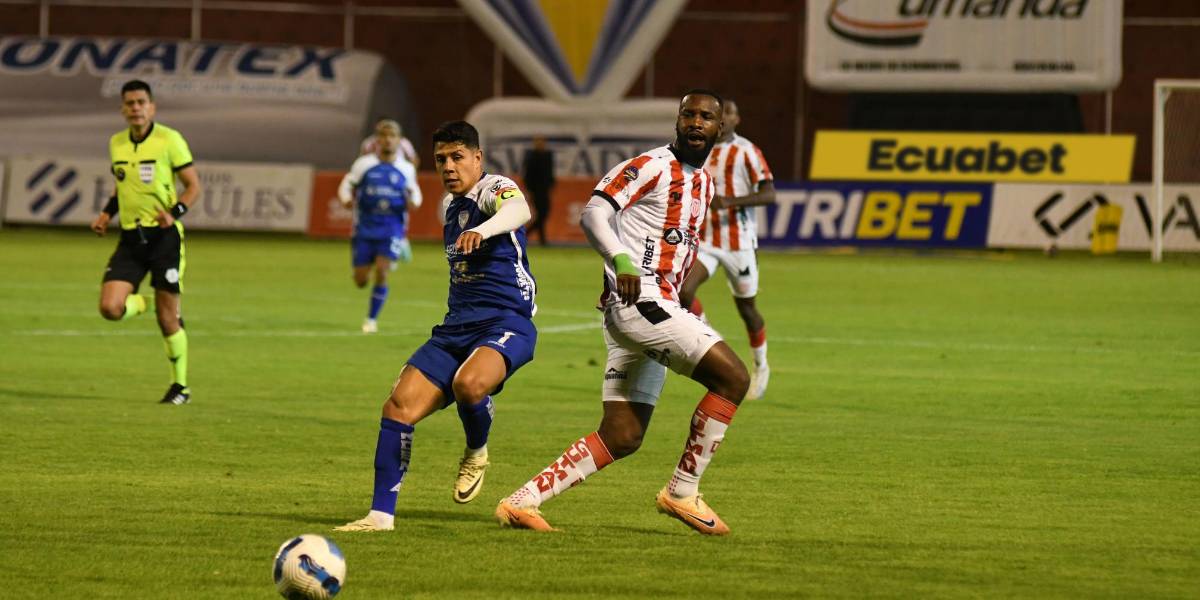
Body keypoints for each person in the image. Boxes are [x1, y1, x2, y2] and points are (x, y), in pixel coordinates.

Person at [495, 90, 750, 536]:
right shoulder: (651, 166)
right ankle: (682, 491)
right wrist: (620, 260)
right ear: (677, 120)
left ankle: (523, 500)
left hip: (653, 304)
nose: (695, 122)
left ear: (720, 127)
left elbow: (669, 244)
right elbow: (596, 212)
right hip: (640, 303)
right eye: (687, 113)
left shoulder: (704, 183)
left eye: (706, 117)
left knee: (623, 434)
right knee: (733, 378)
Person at [336, 120, 538, 532]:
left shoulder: (494, 188)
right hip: (455, 328)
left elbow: (521, 210)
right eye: (441, 159)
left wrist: (482, 230)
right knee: (397, 406)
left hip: (507, 322)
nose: (448, 166)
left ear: (477, 158)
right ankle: (379, 517)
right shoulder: (448, 206)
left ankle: (476, 450)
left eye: (457, 157)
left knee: (469, 385)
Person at [89, 79, 201, 405]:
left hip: (164, 238)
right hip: (130, 238)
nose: (135, 108)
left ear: (151, 107)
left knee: (169, 321)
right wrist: (105, 214)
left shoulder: (169, 140)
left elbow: (194, 186)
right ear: (123, 109)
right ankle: (144, 303)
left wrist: (175, 212)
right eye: (130, 103)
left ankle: (181, 387)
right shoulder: (117, 143)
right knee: (110, 308)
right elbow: (120, 185)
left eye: (141, 102)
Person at [678, 99, 776, 400]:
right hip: (705, 240)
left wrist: (730, 203)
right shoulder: (700, 150)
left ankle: (761, 365)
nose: (725, 119)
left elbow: (769, 194)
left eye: (730, 113)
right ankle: (708, 338)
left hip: (740, 243)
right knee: (682, 291)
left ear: (736, 120)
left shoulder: (747, 152)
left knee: (747, 309)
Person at [338, 119, 423, 334]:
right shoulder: (364, 164)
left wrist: (415, 201)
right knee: (360, 280)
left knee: (383, 271)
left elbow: (415, 191)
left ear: (398, 140)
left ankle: (371, 320)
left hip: (391, 228)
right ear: (377, 140)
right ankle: (367, 269)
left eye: (392, 136)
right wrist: (346, 198)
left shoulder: (405, 168)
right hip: (364, 228)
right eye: (383, 136)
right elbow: (347, 183)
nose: (387, 140)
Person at [521, 136, 555, 246]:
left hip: (545, 190)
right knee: (541, 214)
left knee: (543, 214)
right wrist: (529, 191)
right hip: (536, 190)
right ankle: (541, 240)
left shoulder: (548, 156)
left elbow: (550, 173)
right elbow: (527, 176)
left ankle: (526, 235)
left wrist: (551, 185)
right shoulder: (532, 157)